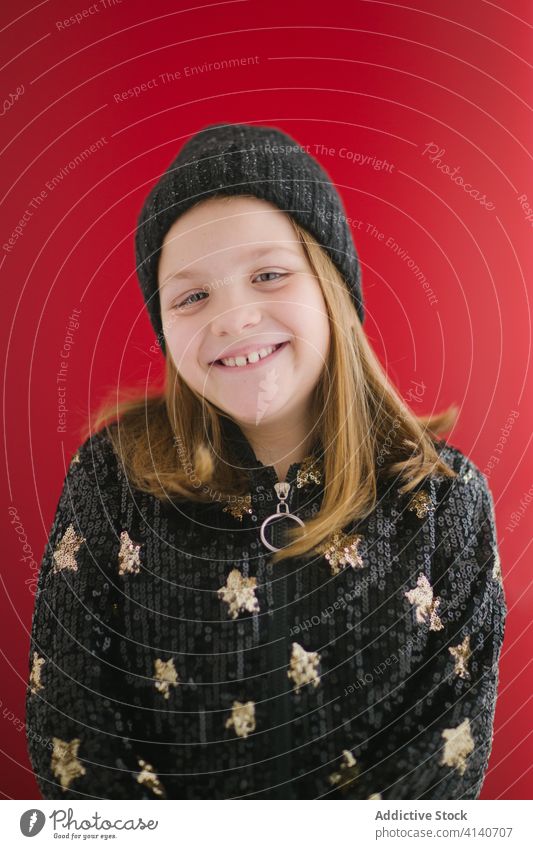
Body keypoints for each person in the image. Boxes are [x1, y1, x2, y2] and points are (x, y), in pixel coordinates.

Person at [26, 123, 507, 800]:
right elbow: (73, 730)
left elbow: (438, 760)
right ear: (167, 330)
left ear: (330, 285)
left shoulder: (442, 501)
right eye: (192, 296)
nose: (233, 316)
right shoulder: (112, 479)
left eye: (268, 274)